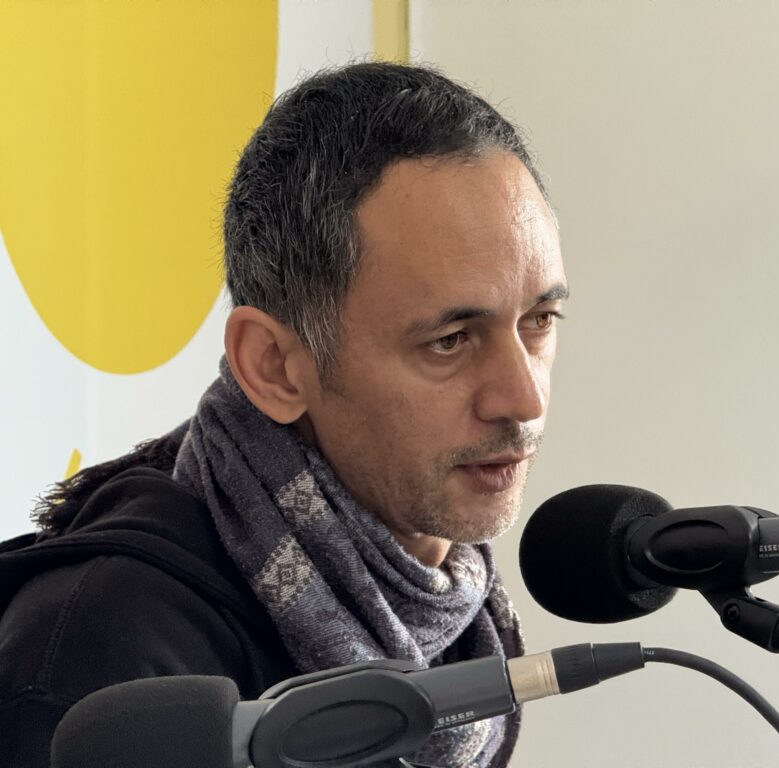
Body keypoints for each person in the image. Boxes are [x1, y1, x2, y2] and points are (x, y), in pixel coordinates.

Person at [0, 62, 567, 768]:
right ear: (273, 366)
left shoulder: (453, 614)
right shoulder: (105, 661)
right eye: (449, 341)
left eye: (539, 320)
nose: (523, 399)